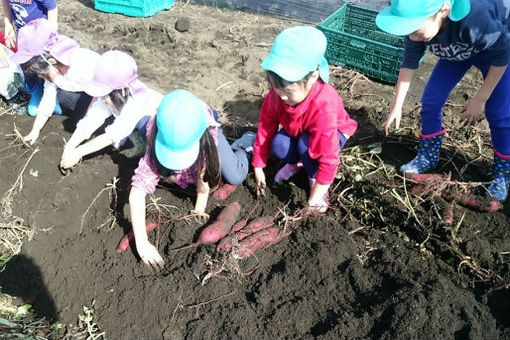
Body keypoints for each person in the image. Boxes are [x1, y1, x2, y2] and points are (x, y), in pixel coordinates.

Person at [376, 0, 510, 201]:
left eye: (417, 31)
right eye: (409, 31)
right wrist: (397, 106)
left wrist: (480, 98)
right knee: (430, 101)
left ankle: (502, 173)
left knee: (498, 113)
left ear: (443, 11)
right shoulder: (416, 28)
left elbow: (503, 53)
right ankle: (428, 156)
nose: (412, 37)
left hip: (494, 54)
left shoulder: (475, 19)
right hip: (458, 52)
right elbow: (409, 64)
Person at [129, 89, 253, 268]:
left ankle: (245, 143)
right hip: (168, 121)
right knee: (143, 127)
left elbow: (203, 177)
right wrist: (142, 243)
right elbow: (136, 195)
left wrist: (199, 207)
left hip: (203, 119)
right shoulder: (155, 137)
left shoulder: (206, 139)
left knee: (235, 176)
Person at [251, 26, 358, 212]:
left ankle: (314, 178)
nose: (282, 97)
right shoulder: (277, 95)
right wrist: (258, 165)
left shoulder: (324, 104)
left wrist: (314, 199)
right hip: (299, 127)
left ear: (312, 77)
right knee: (280, 145)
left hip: (333, 133)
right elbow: (265, 127)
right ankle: (296, 164)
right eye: (276, 88)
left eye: (288, 91)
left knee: (306, 146)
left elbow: (329, 158)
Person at [59, 50, 164, 170]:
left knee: (143, 125)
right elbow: (92, 119)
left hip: (158, 131)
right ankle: (137, 142)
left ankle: (148, 150)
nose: (102, 98)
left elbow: (111, 135)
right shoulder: (113, 95)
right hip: (130, 124)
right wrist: (70, 146)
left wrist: (78, 153)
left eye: (105, 94)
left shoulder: (137, 103)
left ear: (123, 91)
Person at [10, 19, 98, 144]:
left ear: (50, 62)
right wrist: (35, 131)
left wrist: (83, 128)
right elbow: (48, 97)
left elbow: (99, 97)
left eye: (40, 73)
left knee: (95, 123)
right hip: (77, 92)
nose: (40, 77)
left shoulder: (82, 65)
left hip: (101, 96)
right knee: (62, 97)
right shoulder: (53, 68)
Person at [1, 0, 58, 113]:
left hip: (42, 34)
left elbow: (52, 7)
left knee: (45, 65)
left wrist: (50, 34)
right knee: (26, 64)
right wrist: (8, 24)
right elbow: (5, 1)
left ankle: (52, 95)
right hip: (23, 34)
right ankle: (36, 92)